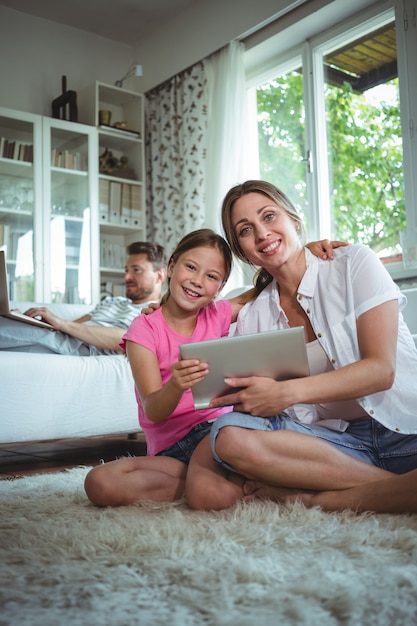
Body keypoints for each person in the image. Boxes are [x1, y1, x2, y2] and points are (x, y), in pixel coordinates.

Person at [184, 179, 417, 514]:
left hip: (403, 427)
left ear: (293, 219)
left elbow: (381, 370)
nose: (262, 234)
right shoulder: (253, 315)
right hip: (333, 448)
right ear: (242, 250)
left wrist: (287, 392)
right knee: (229, 436)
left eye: (268, 217)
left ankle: (327, 500)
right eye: (246, 230)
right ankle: (396, 490)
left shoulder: (353, 264)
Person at [84, 228, 245, 506]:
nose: (196, 281)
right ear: (171, 266)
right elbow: (154, 411)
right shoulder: (144, 330)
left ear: (219, 288)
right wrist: (176, 385)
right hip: (173, 450)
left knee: (222, 447)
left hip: (218, 432)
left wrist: (308, 251)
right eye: (191, 267)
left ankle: (215, 483)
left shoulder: (216, 314)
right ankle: (223, 483)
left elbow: (262, 289)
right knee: (99, 483)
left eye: (211, 276)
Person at [0, 241, 166, 355]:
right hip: (65, 337)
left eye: (136, 270)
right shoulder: (112, 301)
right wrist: (25, 320)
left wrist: (62, 324)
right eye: (126, 270)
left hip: (81, 346)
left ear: (159, 276)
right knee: (8, 321)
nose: (127, 277)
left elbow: (126, 339)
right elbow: (74, 325)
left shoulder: (156, 313)